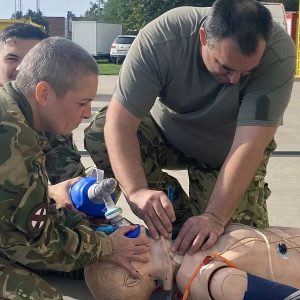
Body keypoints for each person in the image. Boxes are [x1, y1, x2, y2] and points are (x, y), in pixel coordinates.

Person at [84, 0, 296, 255]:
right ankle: (174, 210)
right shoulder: (162, 40)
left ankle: (195, 218)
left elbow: (249, 145)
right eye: (226, 67)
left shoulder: (278, 52)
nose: (235, 80)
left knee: (236, 251)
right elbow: (119, 124)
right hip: (167, 134)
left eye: (247, 72)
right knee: (99, 133)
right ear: (204, 37)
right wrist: (137, 190)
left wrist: (215, 218)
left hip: (227, 152)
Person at [0, 37, 149, 299]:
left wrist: (85, 230)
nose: (88, 113)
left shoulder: (14, 114)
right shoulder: (15, 139)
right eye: (81, 103)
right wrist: (108, 246)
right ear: (44, 93)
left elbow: (33, 209)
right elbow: (42, 242)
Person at [84, 224, 300, 300]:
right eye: (120, 247)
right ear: (132, 278)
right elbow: (234, 287)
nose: (129, 230)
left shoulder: (194, 247)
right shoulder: (202, 277)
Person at [0, 22, 86, 186]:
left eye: (31, 60)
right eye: (11, 58)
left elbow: (68, 176)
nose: (20, 68)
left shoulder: (49, 116)